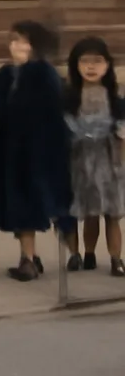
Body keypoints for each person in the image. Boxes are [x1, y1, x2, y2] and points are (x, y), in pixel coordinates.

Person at [0, 20, 72, 282]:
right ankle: (29, 255)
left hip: (39, 149)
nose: (17, 46)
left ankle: (28, 259)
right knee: (18, 204)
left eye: (23, 41)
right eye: (13, 40)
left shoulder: (45, 74)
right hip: (10, 149)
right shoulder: (7, 74)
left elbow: (54, 111)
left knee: (33, 203)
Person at [62, 36, 125, 277]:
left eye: (97, 61)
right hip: (78, 162)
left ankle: (116, 259)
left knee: (111, 214)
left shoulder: (115, 99)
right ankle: (80, 254)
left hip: (109, 163)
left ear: (107, 65)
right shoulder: (68, 99)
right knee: (85, 212)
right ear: (75, 65)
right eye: (84, 61)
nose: (91, 67)